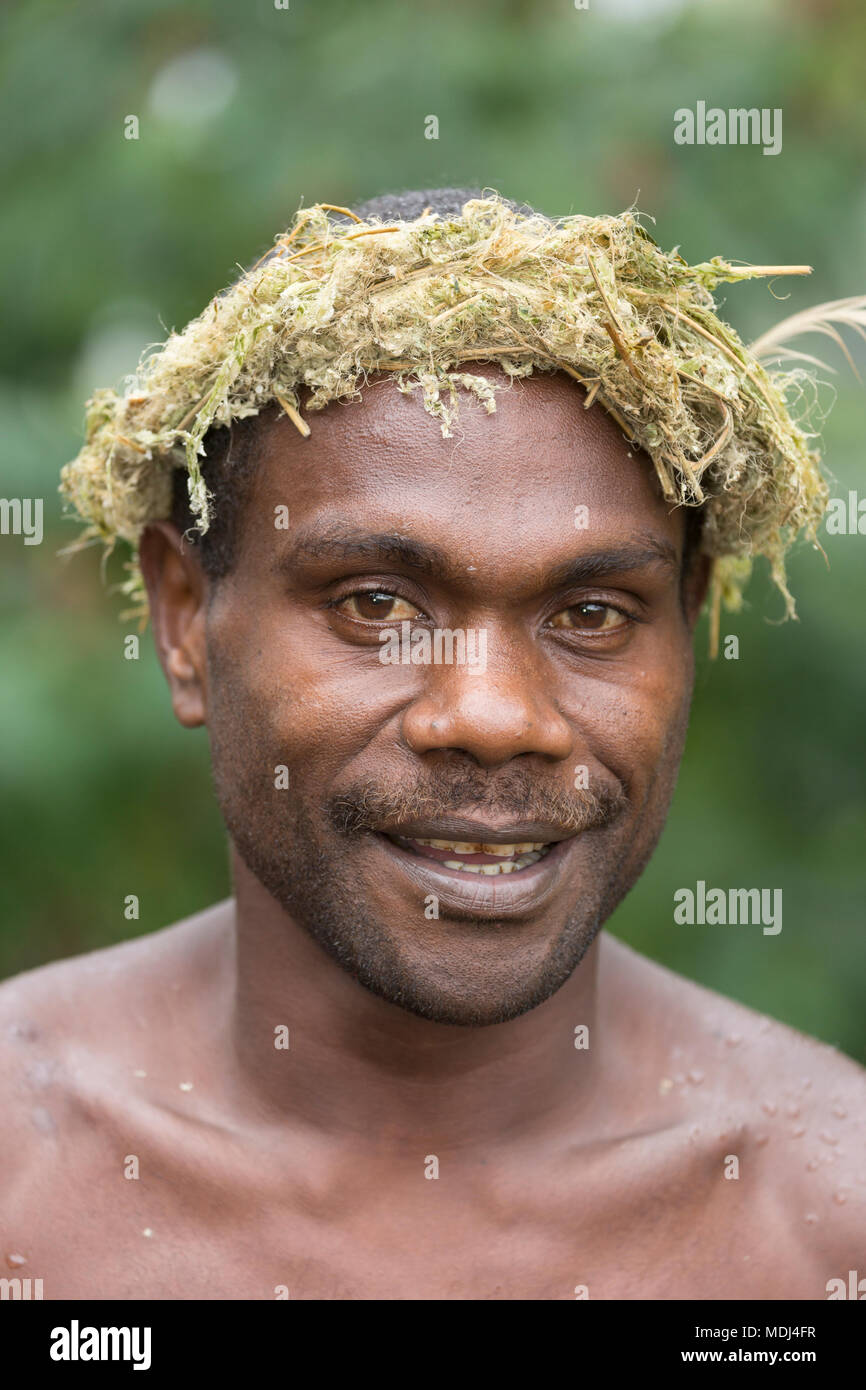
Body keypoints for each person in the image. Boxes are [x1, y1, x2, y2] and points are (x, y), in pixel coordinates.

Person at [1, 189, 862, 1301]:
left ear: (689, 621)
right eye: (374, 604)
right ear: (180, 619)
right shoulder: (25, 1181)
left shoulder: (822, 1225)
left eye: (591, 614)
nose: (496, 717)